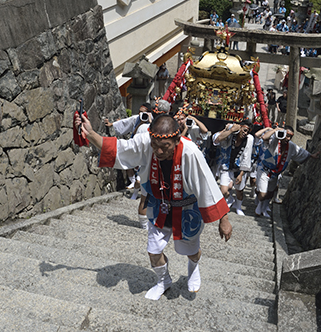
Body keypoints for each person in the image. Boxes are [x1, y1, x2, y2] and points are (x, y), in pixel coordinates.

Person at [76, 113, 232, 300]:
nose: (158, 151)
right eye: (154, 145)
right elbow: (119, 148)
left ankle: (193, 267)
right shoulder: (148, 141)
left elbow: (208, 184)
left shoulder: (191, 152)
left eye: (164, 147)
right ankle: (163, 280)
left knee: (190, 250)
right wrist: (90, 133)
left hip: (186, 210)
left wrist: (223, 219)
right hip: (160, 206)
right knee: (154, 250)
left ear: (176, 139)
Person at [254, 125, 319, 217]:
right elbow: (264, 137)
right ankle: (259, 205)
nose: (288, 138)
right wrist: (276, 130)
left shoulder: (291, 146)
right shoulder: (274, 140)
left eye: (290, 137)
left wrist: (311, 155)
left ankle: (264, 208)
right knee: (263, 193)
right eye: (287, 135)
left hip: (275, 173)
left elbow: (300, 152)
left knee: (270, 192)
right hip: (264, 170)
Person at [104, 103, 153, 190]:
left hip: (147, 146)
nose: (140, 114)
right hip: (136, 143)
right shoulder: (136, 118)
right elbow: (125, 123)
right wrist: (112, 124)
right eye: (139, 111)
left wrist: (150, 121)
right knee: (127, 160)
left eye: (143, 112)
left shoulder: (153, 120)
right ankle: (133, 181)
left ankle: (141, 183)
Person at [212, 120, 254, 216]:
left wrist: (241, 174)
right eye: (244, 130)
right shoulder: (230, 135)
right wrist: (229, 130)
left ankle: (238, 207)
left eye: (247, 131)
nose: (245, 133)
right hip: (226, 167)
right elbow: (216, 140)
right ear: (239, 128)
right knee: (223, 191)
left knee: (239, 191)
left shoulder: (249, 139)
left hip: (239, 169)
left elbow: (247, 157)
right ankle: (230, 199)